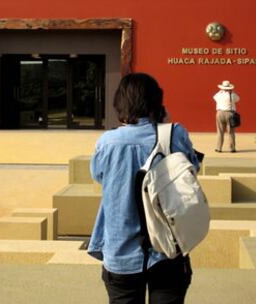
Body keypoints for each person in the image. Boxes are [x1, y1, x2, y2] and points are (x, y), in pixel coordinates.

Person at [87, 73, 200, 304]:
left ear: (120, 104)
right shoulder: (175, 133)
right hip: (169, 249)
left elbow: (98, 176)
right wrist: (167, 126)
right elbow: (193, 170)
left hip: (121, 250)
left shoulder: (107, 142)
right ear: (157, 103)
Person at [213, 80, 240, 153]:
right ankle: (232, 148)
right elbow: (238, 99)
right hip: (230, 114)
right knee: (231, 132)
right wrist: (232, 92)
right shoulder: (232, 95)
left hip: (219, 113)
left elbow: (214, 97)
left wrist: (220, 90)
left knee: (220, 132)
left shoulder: (219, 94)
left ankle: (218, 148)